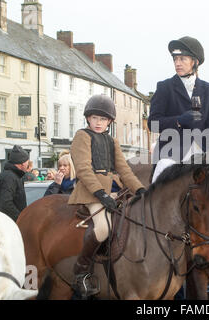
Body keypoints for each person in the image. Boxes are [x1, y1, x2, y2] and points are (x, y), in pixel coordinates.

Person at [68, 94, 145, 298]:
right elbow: (84, 169)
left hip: (115, 191)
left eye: (103, 119)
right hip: (91, 192)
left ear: (109, 121)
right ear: (88, 119)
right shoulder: (82, 136)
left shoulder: (112, 141)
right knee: (103, 228)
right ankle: (81, 270)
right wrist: (101, 194)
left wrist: (140, 190)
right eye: (94, 118)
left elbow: (124, 170)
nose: (98, 122)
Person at [148, 36, 209, 181]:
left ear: (195, 62)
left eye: (182, 59)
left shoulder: (208, 89)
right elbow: (153, 123)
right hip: (171, 154)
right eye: (175, 59)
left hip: (202, 151)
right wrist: (178, 121)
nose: (178, 63)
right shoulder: (164, 87)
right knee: (162, 172)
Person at [0, 145, 29, 221]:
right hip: (9, 224)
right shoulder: (10, 177)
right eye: (27, 162)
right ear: (22, 163)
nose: (27, 165)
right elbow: (6, 203)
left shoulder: (14, 175)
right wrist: (20, 218)